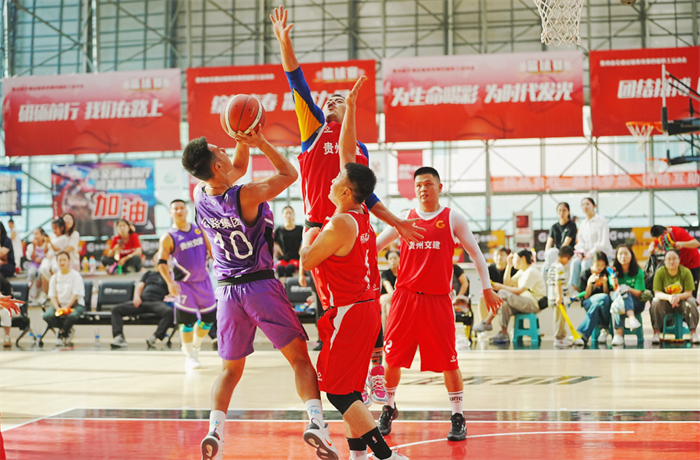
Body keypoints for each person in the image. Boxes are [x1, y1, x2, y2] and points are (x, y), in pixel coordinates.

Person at [182, 129, 337, 460]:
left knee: (230, 370)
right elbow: (289, 174)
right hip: (259, 286)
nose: (226, 151)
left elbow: (235, 167)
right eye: (220, 149)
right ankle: (316, 423)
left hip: (226, 292)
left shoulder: (199, 193)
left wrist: (243, 136)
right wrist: (261, 142)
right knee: (299, 359)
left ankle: (215, 431)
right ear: (217, 166)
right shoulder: (247, 195)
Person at [374, 166, 502, 442]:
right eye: (419, 184)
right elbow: (374, 247)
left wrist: (487, 288)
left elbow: (476, 254)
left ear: (440, 187)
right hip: (405, 298)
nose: (423, 189)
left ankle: (458, 416)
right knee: (392, 359)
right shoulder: (405, 217)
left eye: (428, 183)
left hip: (438, 300)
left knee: (449, 361)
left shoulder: (452, 217)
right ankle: (388, 407)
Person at [301, 163, 407, 460]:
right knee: (351, 390)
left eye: (337, 177)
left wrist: (309, 235)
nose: (331, 180)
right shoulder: (362, 216)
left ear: (346, 191)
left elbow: (307, 261)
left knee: (338, 392)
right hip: (365, 310)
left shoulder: (340, 223)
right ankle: (358, 455)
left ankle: (386, 456)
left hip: (348, 312)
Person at [157, 199, 217, 370]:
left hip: (204, 282)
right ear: (170, 213)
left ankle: (195, 347)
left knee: (208, 320)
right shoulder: (168, 237)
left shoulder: (199, 229)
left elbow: (212, 252)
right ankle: (190, 354)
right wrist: (169, 283)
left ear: (186, 210)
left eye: (181, 208)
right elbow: (161, 263)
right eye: (175, 208)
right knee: (187, 322)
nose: (179, 211)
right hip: (184, 285)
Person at [474, 249, 546, 344]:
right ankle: (503, 334)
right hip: (524, 301)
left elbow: (519, 291)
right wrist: (509, 266)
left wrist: (500, 287)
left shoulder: (531, 271)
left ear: (523, 258)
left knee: (502, 292)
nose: (512, 260)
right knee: (504, 305)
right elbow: (507, 283)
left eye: (514, 258)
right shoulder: (522, 271)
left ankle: (487, 322)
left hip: (533, 303)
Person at [109, 269, 174, 349]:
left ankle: (155, 337)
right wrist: (136, 297)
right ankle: (119, 337)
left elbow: (173, 290)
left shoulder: (170, 276)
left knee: (169, 312)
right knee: (116, 309)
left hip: (157, 302)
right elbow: (140, 286)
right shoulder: (149, 274)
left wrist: (170, 295)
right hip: (142, 301)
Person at [650, 250, 699, 344]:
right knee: (655, 301)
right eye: (669, 259)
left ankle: (693, 333)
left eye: (674, 259)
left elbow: (689, 293)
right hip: (665, 303)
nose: (671, 262)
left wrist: (678, 297)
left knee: (692, 301)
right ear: (664, 261)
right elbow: (657, 293)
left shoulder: (686, 272)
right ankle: (656, 333)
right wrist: (669, 298)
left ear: (679, 260)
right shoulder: (660, 272)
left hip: (682, 303)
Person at [43, 251, 85, 347]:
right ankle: (65, 330)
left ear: (69, 261)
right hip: (59, 305)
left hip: (75, 304)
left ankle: (63, 332)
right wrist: (58, 308)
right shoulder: (54, 277)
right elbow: (52, 296)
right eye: (60, 260)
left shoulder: (76, 275)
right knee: (47, 316)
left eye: (64, 260)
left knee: (72, 316)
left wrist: (66, 307)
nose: (62, 262)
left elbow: (75, 294)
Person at [571, 197, 613, 292]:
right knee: (575, 262)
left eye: (587, 204)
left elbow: (603, 243)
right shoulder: (583, 223)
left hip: (602, 254)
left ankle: (587, 291)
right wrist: (582, 253)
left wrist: (591, 253)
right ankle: (575, 291)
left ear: (594, 206)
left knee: (586, 264)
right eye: (583, 204)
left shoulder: (601, 220)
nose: (585, 206)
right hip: (587, 255)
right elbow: (581, 242)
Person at [610, 244, 648, 346]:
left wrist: (628, 288)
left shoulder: (638, 271)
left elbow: (638, 292)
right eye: (620, 254)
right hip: (619, 301)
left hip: (636, 303)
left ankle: (618, 334)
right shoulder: (614, 271)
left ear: (631, 255)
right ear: (616, 256)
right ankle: (632, 319)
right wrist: (614, 283)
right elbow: (614, 289)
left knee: (623, 295)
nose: (623, 256)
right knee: (620, 299)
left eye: (626, 253)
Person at [573, 252, 612, 346]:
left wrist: (605, 283)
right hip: (588, 301)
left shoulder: (605, 274)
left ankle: (581, 335)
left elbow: (607, 295)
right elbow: (585, 296)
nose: (600, 267)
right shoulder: (585, 274)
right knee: (602, 299)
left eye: (602, 265)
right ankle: (604, 327)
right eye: (598, 265)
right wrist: (589, 283)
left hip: (602, 303)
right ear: (592, 263)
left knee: (597, 305)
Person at [649, 225, 700, 296]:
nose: (658, 239)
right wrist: (651, 247)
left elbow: (696, 243)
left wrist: (682, 244)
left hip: (692, 263)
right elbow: (654, 242)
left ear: (665, 232)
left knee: (691, 291)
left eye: (658, 237)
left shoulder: (679, 232)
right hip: (679, 266)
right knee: (679, 290)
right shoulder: (663, 237)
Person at [547, 246, 575, 348]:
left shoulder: (553, 266)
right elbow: (558, 283)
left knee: (561, 319)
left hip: (553, 297)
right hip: (559, 299)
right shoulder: (560, 267)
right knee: (559, 320)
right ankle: (559, 339)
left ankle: (563, 336)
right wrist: (560, 297)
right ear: (566, 257)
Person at [541, 202, 577, 277]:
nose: (561, 213)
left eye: (564, 210)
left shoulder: (572, 225)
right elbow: (549, 243)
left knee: (552, 254)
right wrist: (546, 255)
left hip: (566, 253)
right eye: (559, 210)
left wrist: (558, 258)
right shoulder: (554, 227)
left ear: (568, 212)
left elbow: (566, 243)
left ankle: (553, 277)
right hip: (555, 253)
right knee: (546, 262)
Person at [39, 218, 70, 294]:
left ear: (61, 228)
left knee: (56, 269)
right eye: (53, 229)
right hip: (48, 258)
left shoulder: (64, 238)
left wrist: (50, 242)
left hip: (56, 258)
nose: (54, 231)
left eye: (56, 228)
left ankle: (59, 286)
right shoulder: (52, 237)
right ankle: (52, 284)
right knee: (43, 269)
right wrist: (47, 242)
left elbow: (57, 250)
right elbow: (45, 251)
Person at [274, 206, 303, 282]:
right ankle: (282, 287)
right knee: (280, 268)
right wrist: (278, 250)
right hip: (283, 258)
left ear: (294, 214)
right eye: (286, 213)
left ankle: (288, 287)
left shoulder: (300, 229)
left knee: (289, 268)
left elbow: (305, 241)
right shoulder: (279, 230)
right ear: (282, 215)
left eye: (290, 213)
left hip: (295, 258)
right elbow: (273, 242)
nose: (288, 215)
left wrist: (301, 249)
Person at [26, 228, 49, 305]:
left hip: (43, 264)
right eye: (34, 234)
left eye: (37, 234)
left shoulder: (46, 245)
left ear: (42, 235)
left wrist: (42, 260)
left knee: (40, 272)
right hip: (33, 264)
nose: (35, 236)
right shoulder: (31, 246)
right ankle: (28, 292)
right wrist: (34, 246)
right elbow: (32, 258)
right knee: (31, 272)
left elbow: (47, 255)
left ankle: (37, 292)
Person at [379, 250, 399, 331]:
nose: (393, 261)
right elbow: (388, 287)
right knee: (386, 301)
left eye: (395, 258)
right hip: (389, 296)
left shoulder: (403, 273)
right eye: (390, 259)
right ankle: (386, 332)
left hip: (399, 296)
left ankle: (388, 331)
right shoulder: (385, 274)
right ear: (387, 261)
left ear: (400, 259)